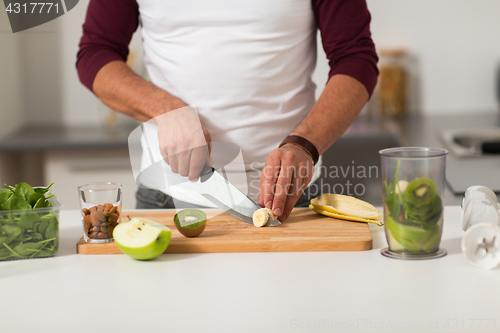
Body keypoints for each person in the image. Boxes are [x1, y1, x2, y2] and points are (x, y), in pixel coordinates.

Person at [76, 0, 378, 222]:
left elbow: (355, 58)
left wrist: (304, 145)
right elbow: (96, 52)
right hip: (166, 197)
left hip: (293, 197)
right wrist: (167, 109)